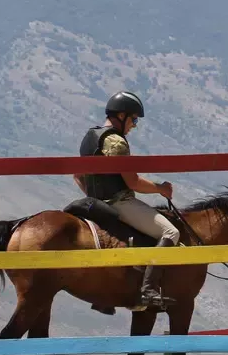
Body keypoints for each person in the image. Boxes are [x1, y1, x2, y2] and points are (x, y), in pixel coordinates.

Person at [74, 90, 180, 310]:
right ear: (121, 116)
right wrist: (160, 189)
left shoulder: (90, 137)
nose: (134, 125)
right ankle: (148, 291)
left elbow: (77, 175)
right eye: (134, 119)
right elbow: (132, 183)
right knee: (171, 233)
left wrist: (95, 197)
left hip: (96, 205)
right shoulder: (116, 143)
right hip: (120, 203)